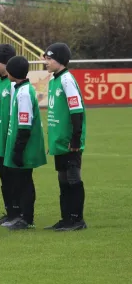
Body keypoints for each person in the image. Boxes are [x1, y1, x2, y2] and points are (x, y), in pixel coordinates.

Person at [44, 43, 87, 231]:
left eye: (49, 58)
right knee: (62, 180)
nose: (46, 62)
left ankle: (77, 220)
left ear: (59, 60)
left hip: (70, 141)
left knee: (72, 178)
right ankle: (66, 218)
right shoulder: (54, 80)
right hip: (59, 141)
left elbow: (76, 111)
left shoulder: (67, 80)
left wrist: (76, 138)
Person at [3, 56, 47, 230]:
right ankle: (22, 216)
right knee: (20, 181)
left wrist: (18, 149)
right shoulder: (22, 89)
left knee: (24, 181)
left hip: (25, 146)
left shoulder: (23, 93)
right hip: (22, 144)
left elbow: (24, 123)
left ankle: (27, 218)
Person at [0, 44, 18, 226]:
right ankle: (9, 212)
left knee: (13, 179)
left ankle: (17, 213)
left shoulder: (13, 84)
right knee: (4, 178)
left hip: (9, 139)